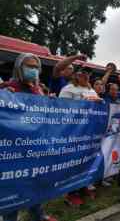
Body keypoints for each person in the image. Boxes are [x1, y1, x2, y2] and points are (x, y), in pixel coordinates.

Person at [2, 53, 57, 221]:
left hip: (35, 146)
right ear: (19, 68)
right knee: (13, 187)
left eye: (35, 67)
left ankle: (39, 215)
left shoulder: (38, 89)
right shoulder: (8, 87)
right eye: (29, 66)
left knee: (35, 183)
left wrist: (51, 103)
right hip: (14, 150)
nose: (32, 70)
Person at [59, 67, 100, 205]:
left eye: (88, 74)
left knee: (86, 160)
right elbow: (61, 110)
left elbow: (98, 108)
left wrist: (100, 104)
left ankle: (83, 186)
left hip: (89, 132)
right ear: (76, 75)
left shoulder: (91, 90)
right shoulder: (68, 89)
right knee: (73, 162)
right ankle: (71, 193)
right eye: (83, 73)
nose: (86, 76)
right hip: (73, 132)